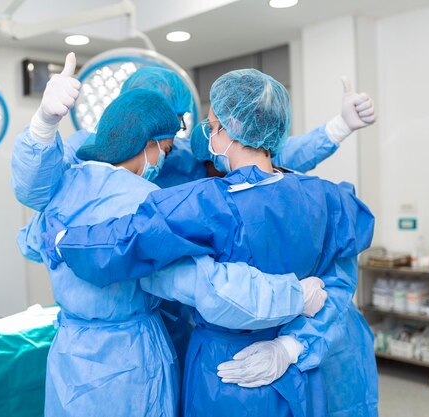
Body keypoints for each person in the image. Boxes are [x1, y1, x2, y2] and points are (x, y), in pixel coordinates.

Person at [50, 69, 378, 417]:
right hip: (299, 371)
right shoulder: (330, 199)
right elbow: (339, 282)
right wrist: (291, 346)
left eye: (210, 126)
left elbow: (127, 242)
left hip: (223, 371)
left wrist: (64, 241)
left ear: (226, 130)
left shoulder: (205, 204)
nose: (203, 135)